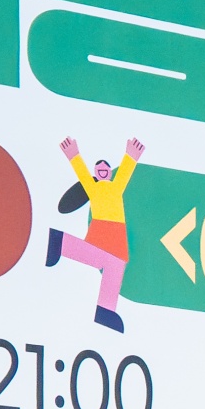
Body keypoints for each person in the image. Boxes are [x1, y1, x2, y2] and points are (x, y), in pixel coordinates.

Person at [45, 136, 141, 332]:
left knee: (114, 264)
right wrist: (73, 155)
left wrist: (131, 156)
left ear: (109, 173)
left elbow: (123, 175)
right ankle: (59, 241)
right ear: (96, 173)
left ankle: (105, 311)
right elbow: (83, 175)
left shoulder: (116, 187)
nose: (103, 169)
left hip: (116, 232)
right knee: (111, 262)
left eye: (106, 168)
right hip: (103, 229)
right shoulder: (93, 188)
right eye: (99, 168)